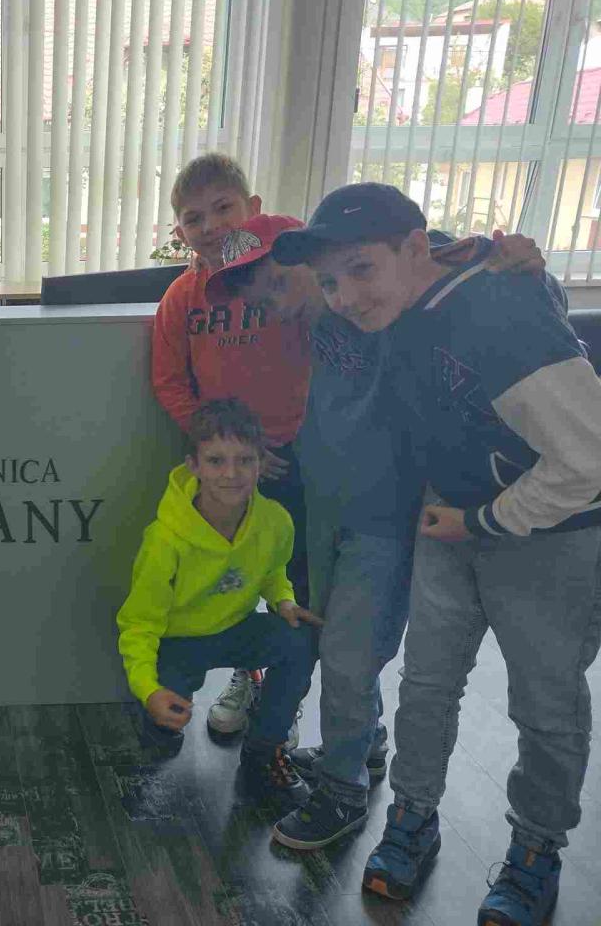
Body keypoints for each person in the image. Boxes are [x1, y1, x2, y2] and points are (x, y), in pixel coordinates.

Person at [273, 182, 601, 926]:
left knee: (545, 706)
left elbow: (588, 460)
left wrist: (484, 519)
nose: (345, 296)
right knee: (425, 687)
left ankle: (536, 850)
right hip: (452, 522)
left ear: (414, 249)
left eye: (360, 269)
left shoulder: (501, 309)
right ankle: (411, 819)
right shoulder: (404, 303)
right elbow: (454, 252)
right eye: (330, 281)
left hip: (551, 535)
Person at [210, 208, 545, 857]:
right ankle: (364, 748)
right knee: (338, 641)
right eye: (261, 298)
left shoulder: (387, 302)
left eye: (278, 283)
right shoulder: (317, 316)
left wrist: (516, 261)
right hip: (328, 507)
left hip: (386, 517)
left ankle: (342, 791)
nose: (274, 303)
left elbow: (457, 262)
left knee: (349, 657)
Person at [151, 153, 313, 739]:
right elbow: (170, 381)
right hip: (231, 470)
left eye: (224, 208)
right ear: (179, 232)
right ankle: (249, 674)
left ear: (254, 209)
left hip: (298, 457)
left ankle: (314, 704)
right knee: (236, 576)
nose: (212, 226)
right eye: (194, 218)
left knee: (300, 583)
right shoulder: (182, 297)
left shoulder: (285, 276)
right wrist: (223, 450)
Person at [116, 398, 321, 806]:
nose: (231, 474)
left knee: (301, 639)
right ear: (193, 466)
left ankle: (264, 750)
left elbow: (272, 572)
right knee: (162, 728)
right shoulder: (164, 540)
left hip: (236, 629)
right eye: (216, 461)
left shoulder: (276, 521)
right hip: (178, 642)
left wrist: (283, 600)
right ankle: (157, 727)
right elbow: (139, 624)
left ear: (261, 464)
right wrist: (148, 689)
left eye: (245, 460)